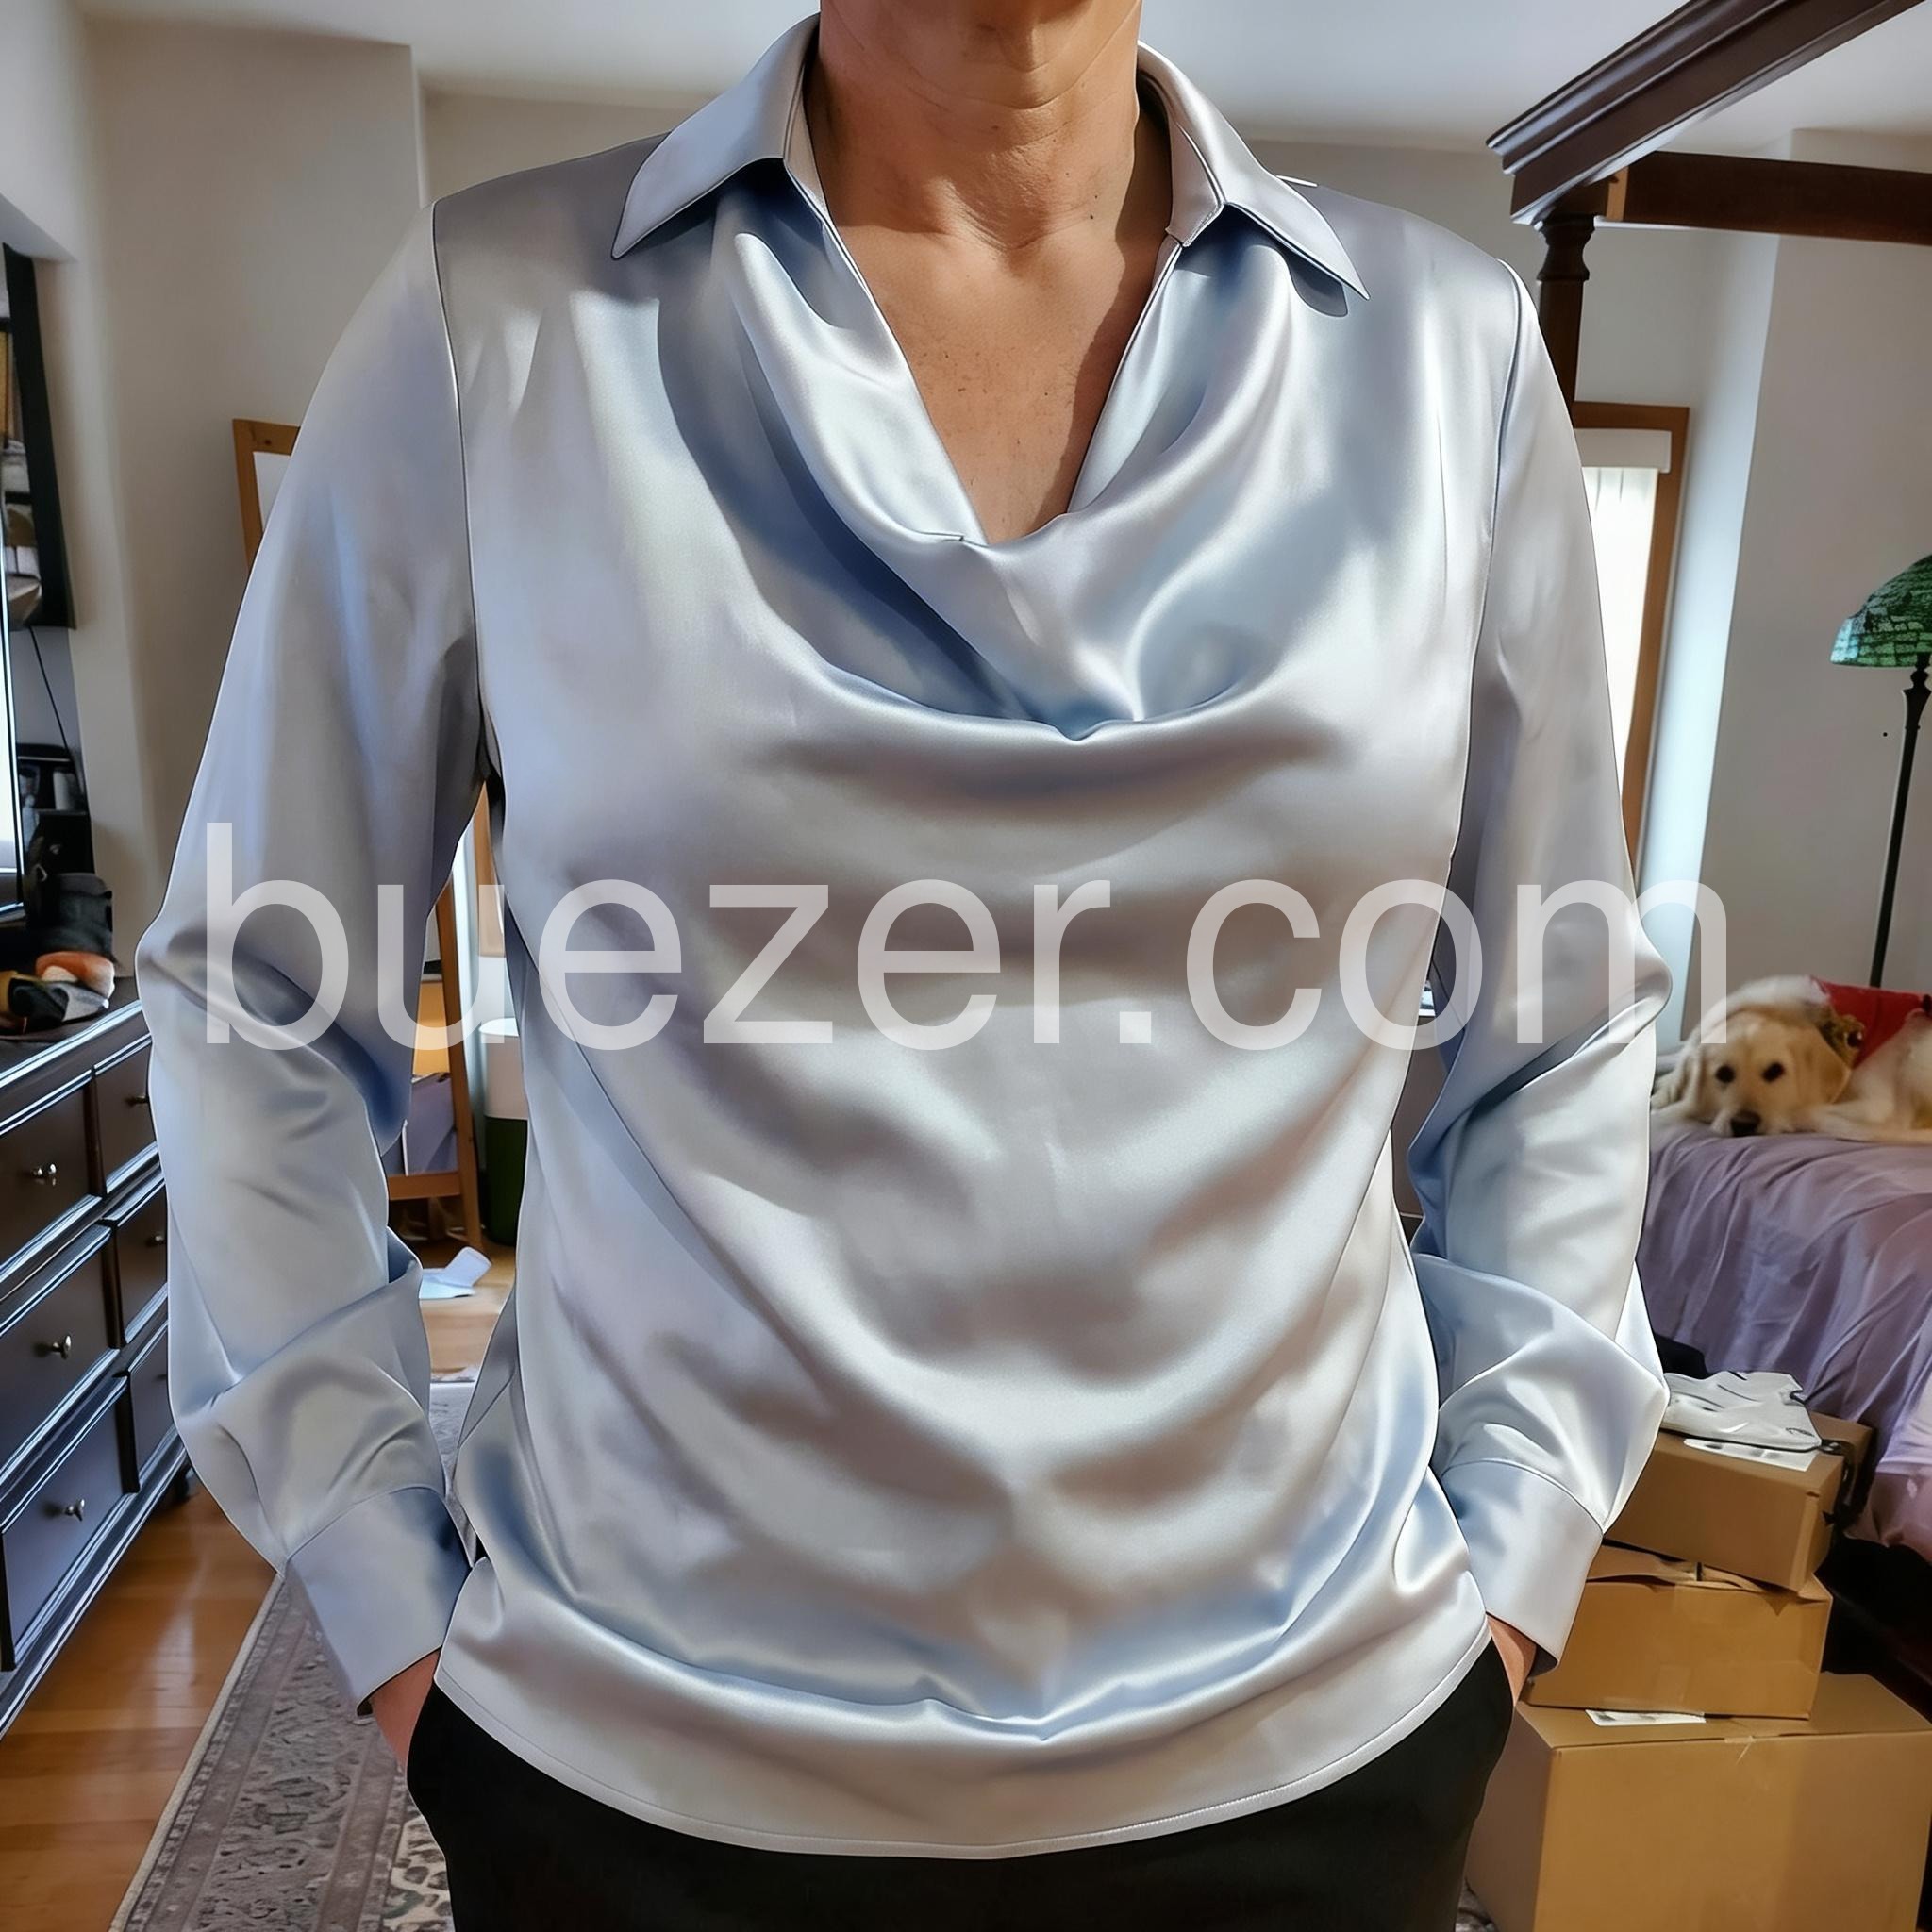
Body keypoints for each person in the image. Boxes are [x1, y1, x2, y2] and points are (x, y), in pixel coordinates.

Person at [136, 4, 1671, 1926]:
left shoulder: (1451, 361)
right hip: (642, 1778)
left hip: (1318, 1747)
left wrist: (1512, 1554)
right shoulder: (498, 323)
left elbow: (1561, 1014)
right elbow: (256, 998)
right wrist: (386, 1599)